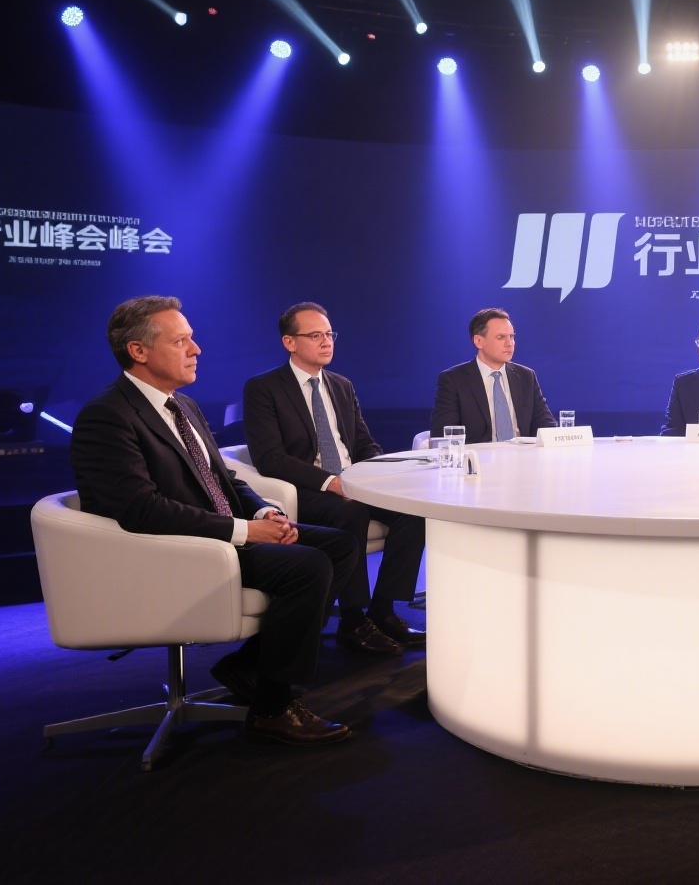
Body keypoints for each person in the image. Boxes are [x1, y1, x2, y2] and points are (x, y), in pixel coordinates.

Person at [70, 296, 357, 747]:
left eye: (192, 338)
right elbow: (141, 509)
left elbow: (224, 479)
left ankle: (250, 667)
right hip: (177, 549)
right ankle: (273, 706)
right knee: (308, 566)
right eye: (181, 341)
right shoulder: (107, 415)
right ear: (138, 351)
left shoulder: (182, 404)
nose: (196, 349)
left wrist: (263, 511)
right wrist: (245, 532)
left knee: (339, 544)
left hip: (219, 535)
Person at [243, 302, 427, 656]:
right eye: (315, 335)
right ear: (289, 342)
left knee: (413, 512)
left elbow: (362, 443)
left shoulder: (341, 385)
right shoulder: (264, 388)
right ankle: (353, 621)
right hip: (306, 489)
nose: (326, 342)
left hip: (352, 483)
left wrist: (382, 474)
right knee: (350, 513)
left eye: (329, 334)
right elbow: (270, 458)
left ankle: (383, 610)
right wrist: (331, 483)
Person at [431, 308, 555, 442]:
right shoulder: (453, 380)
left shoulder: (526, 376)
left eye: (511, 336)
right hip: (477, 455)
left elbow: (546, 427)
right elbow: (444, 436)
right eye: (501, 337)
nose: (510, 343)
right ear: (479, 341)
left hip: (523, 453)